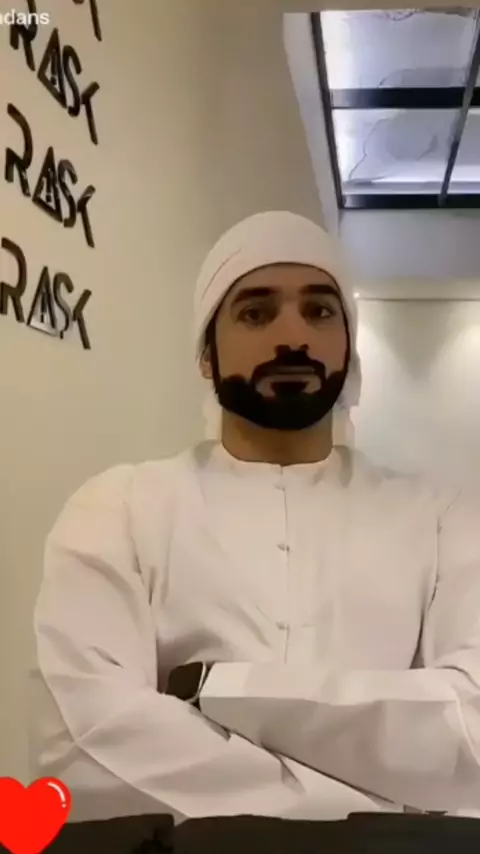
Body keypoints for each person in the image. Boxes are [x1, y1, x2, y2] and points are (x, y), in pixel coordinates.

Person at [30, 211, 480, 825]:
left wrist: (214, 691)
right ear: (206, 354)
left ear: (348, 344)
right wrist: (376, 804)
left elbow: (469, 730)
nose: (293, 336)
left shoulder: (442, 516)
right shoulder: (119, 508)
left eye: (320, 311)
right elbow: (83, 743)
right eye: (255, 312)